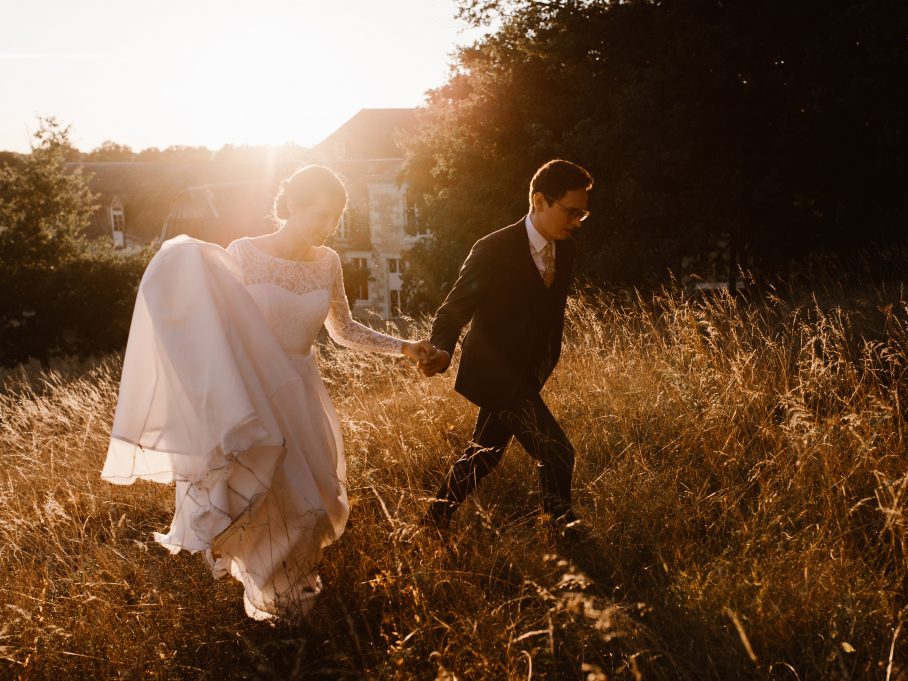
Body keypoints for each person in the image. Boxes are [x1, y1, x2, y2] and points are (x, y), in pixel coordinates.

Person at [101, 165, 433, 621]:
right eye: (320, 214)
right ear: (291, 207)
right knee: (266, 501)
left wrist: (404, 348)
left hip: (301, 394)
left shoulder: (329, 261)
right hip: (253, 394)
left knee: (316, 503)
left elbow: (343, 330)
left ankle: (291, 602)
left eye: (335, 216)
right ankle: (282, 607)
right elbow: (213, 321)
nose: (327, 225)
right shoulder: (244, 253)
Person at [419, 159, 593, 540]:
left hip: (527, 374)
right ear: (539, 201)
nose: (578, 220)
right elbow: (455, 307)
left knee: (484, 454)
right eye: (572, 211)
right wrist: (443, 351)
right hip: (494, 372)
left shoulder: (566, 250)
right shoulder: (493, 248)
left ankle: (432, 524)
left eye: (583, 212)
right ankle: (563, 534)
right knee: (557, 451)